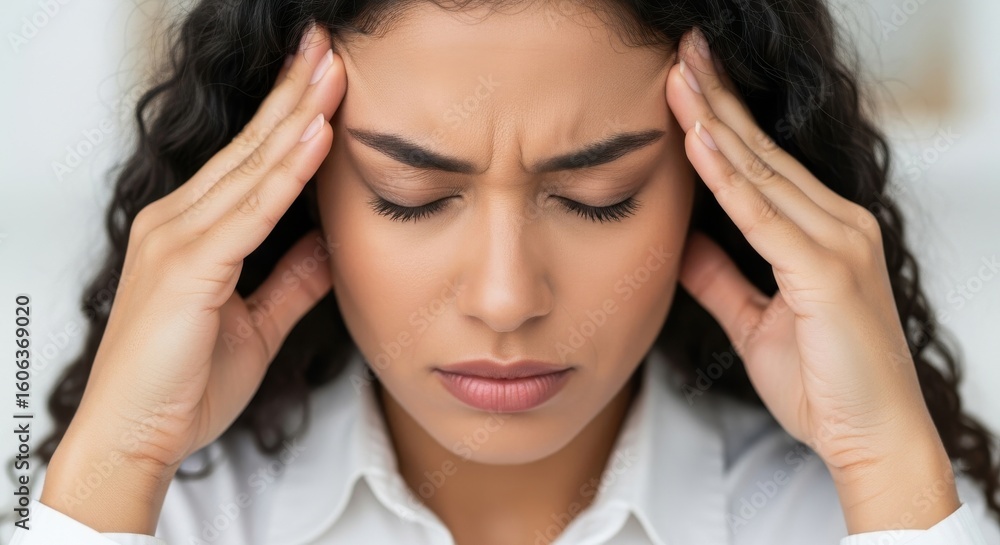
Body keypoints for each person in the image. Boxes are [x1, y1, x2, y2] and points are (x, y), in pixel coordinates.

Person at [7, 0, 1000, 544]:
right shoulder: (173, 517)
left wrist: (886, 464)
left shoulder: (839, 518)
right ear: (295, 190)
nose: (504, 297)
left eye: (599, 193)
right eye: (408, 192)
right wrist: (116, 458)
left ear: (719, 184)